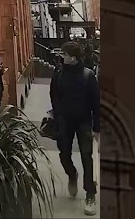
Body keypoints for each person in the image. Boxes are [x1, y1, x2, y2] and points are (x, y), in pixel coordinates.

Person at [50, 40, 99, 216]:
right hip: (64, 121)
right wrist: (57, 115)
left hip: (84, 121)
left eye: (65, 55)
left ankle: (90, 194)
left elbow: (96, 103)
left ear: (73, 58)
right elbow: (54, 95)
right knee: (64, 154)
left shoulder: (88, 75)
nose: (62, 57)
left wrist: (97, 128)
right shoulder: (59, 72)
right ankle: (72, 174)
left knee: (87, 156)